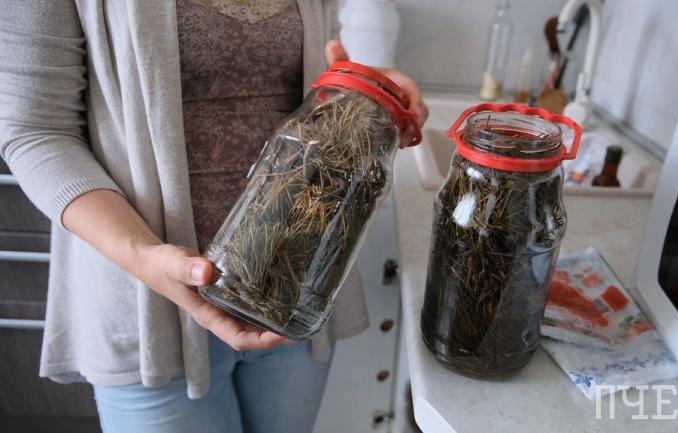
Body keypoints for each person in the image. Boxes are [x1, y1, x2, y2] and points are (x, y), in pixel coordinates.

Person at [0, 1, 428, 432]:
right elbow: (36, 131)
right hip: (148, 305)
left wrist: (369, 91)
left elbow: (306, 75)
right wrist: (143, 255)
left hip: (294, 289)